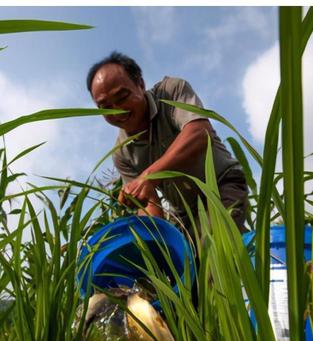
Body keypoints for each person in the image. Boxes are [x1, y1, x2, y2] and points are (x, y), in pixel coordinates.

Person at [87, 51, 249, 237]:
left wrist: (149, 176)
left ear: (140, 84)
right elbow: (148, 203)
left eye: (122, 97)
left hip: (222, 185)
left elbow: (199, 132)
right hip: (184, 213)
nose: (116, 111)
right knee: (181, 262)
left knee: (213, 254)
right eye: (105, 107)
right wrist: (155, 241)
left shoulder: (171, 91)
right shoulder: (122, 153)